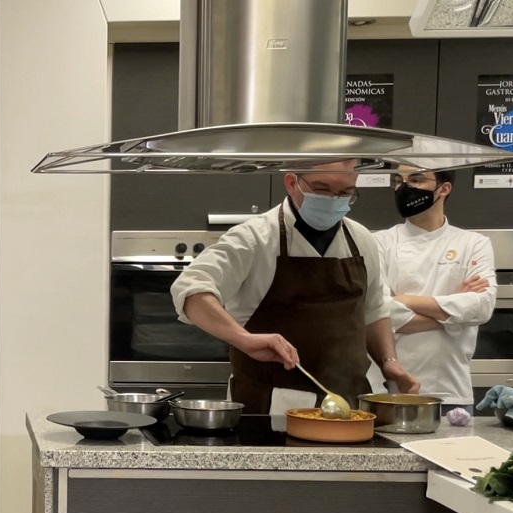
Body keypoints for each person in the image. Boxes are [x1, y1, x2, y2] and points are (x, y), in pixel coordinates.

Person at [169, 159, 420, 415]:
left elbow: (374, 310)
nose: (334, 200)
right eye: (322, 189)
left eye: (345, 192)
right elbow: (191, 288)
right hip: (268, 409)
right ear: (292, 183)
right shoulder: (255, 238)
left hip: (347, 406)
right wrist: (243, 339)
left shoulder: (361, 239)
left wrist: (388, 361)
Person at [372, 167, 496, 413]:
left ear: (444, 188)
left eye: (416, 180)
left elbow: (482, 307)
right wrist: (456, 314)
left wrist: (403, 300)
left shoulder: (474, 244)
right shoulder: (378, 242)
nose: (405, 187)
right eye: (399, 180)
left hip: (451, 391)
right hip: (388, 391)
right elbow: (379, 310)